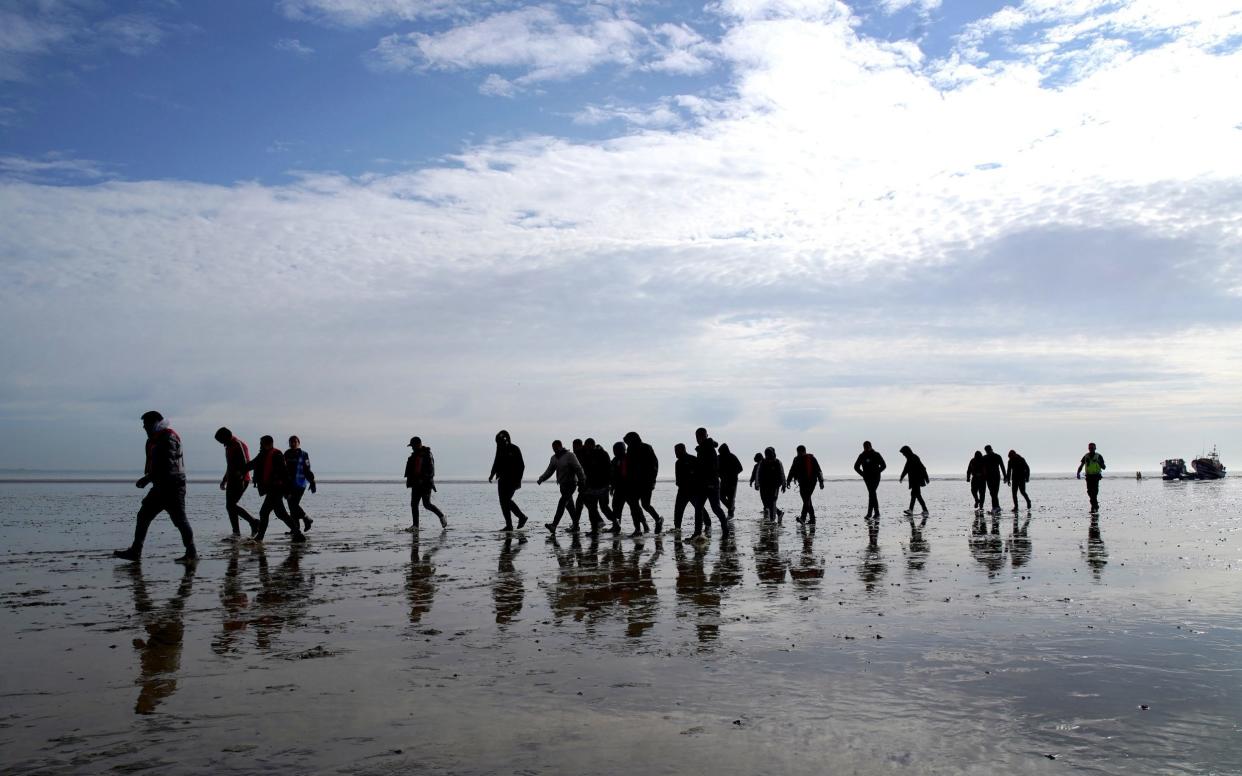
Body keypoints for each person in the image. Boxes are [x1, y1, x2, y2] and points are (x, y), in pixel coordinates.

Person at [114, 411, 197, 563]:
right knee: (144, 515)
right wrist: (150, 478)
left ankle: (191, 552)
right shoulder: (155, 439)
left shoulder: (168, 437)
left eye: (146, 425)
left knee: (179, 519)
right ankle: (135, 551)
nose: (144, 428)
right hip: (160, 486)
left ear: (155, 423)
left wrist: (147, 478)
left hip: (173, 486)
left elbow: (167, 464)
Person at [249, 435, 306, 543]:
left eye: (262, 443)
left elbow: (284, 473)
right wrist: (241, 469)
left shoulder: (277, 454)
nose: (260, 445)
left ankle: (259, 537)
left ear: (268, 443)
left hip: (277, 488)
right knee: (281, 514)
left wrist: (287, 491)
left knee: (264, 512)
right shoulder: (263, 454)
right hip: (271, 489)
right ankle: (298, 534)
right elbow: (252, 464)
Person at [214, 427, 258, 540]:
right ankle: (237, 532)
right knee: (230, 506)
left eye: (221, 440)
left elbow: (246, 463)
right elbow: (230, 465)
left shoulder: (238, 444)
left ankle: (253, 522)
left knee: (231, 505)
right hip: (232, 480)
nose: (221, 443)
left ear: (227, 437)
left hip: (241, 480)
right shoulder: (228, 445)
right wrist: (225, 479)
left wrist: (241, 477)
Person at [537, 439, 586, 533]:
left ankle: (554, 525)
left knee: (562, 502)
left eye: (556, 448)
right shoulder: (554, 458)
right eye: (553, 449)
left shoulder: (570, 455)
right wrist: (541, 478)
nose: (555, 450)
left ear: (560, 446)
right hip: (562, 485)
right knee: (570, 506)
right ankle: (576, 526)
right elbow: (550, 470)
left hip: (571, 483)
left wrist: (582, 480)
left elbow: (578, 468)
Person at [622, 432, 662, 533]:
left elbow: (654, 465)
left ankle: (658, 520)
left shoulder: (646, 448)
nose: (627, 445)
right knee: (634, 505)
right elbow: (629, 468)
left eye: (627, 442)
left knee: (645, 505)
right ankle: (637, 529)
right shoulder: (630, 450)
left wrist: (652, 481)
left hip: (646, 482)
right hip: (633, 483)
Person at [489, 430, 528, 531]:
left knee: (506, 500)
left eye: (499, 441)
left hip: (513, 480)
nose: (498, 444)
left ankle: (521, 517)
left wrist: (518, 480)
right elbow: (496, 461)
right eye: (497, 442)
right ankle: (509, 525)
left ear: (505, 439)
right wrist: (492, 474)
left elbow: (522, 465)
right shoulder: (500, 450)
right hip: (502, 479)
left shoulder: (514, 449)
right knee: (503, 502)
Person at [405, 436, 446, 530]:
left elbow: (431, 471)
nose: (412, 447)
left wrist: (423, 479)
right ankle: (415, 526)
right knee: (414, 504)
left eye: (413, 445)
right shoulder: (414, 455)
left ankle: (442, 516)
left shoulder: (427, 454)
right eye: (411, 446)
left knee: (426, 504)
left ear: (418, 444)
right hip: (415, 484)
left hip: (426, 484)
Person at [694, 427, 730, 534]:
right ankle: (697, 533)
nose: (698, 439)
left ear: (705, 436)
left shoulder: (709, 449)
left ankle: (725, 528)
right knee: (698, 508)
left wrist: (710, 482)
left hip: (711, 484)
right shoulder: (701, 449)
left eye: (700, 436)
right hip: (702, 484)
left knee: (715, 508)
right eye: (697, 437)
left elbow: (713, 467)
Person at [610, 440, 649, 535]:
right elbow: (613, 475)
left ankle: (642, 526)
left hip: (631, 489)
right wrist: (612, 487)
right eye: (614, 450)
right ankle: (616, 525)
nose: (615, 452)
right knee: (615, 507)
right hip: (619, 489)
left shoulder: (631, 459)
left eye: (617, 450)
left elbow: (638, 473)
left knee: (635, 509)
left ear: (624, 450)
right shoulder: (615, 460)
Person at [579, 438, 614, 534]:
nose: (586, 448)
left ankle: (615, 523)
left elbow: (609, 470)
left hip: (603, 486)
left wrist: (609, 485)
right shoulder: (586, 455)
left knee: (604, 507)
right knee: (592, 508)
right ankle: (594, 529)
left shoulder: (602, 454)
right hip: (591, 486)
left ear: (592, 445)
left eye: (587, 446)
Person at [284, 435, 316, 532]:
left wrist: (312, 481)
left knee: (293, 504)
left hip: (300, 484)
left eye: (295, 441)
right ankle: (295, 528)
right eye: (291, 442)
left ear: (298, 442)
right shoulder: (286, 453)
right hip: (289, 484)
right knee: (291, 506)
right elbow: (283, 468)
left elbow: (307, 469)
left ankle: (306, 519)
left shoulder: (303, 454)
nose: (293, 443)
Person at [786, 444, 825, 523]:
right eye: (798, 453)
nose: (799, 454)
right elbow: (792, 470)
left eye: (800, 452)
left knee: (806, 499)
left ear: (804, 451)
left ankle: (803, 518)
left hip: (811, 482)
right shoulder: (796, 459)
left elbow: (818, 470)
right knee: (806, 500)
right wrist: (788, 480)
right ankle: (812, 519)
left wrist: (821, 481)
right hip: (802, 482)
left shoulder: (811, 459)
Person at [672, 443, 703, 536]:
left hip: (693, 490)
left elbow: (699, 474)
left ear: (683, 450)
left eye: (677, 451)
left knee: (699, 509)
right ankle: (677, 528)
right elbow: (677, 477)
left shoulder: (693, 459)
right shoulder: (677, 463)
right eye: (675, 452)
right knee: (678, 511)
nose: (675, 454)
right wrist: (678, 484)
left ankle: (708, 524)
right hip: (682, 490)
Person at [853, 441, 886, 519]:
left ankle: (872, 513)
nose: (866, 448)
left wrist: (877, 471)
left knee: (872, 493)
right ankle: (873, 513)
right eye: (865, 447)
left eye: (868, 447)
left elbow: (884, 465)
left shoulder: (876, 454)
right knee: (872, 494)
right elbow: (856, 467)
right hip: (867, 478)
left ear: (871, 446)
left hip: (876, 477)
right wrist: (862, 474)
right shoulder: (862, 455)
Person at [756, 447, 786, 521]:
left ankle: (772, 520)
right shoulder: (762, 462)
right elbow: (758, 473)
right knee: (766, 503)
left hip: (774, 486)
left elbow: (782, 474)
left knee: (772, 501)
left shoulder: (778, 462)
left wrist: (784, 484)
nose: (768, 456)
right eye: (766, 454)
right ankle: (779, 513)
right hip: (763, 486)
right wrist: (757, 484)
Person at [898, 445, 929, 516]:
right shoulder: (910, 458)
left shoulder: (914, 457)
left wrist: (926, 477)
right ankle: (918, 510)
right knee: (915, 495)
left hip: (917, 479)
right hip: (914, 480)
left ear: (907, 452)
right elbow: (906, 469)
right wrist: (902, 477)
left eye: (903, 453)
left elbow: (923, 468)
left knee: (916, 494)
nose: (903, 455)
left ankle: (922, 510)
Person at [1076, 442, 1106, 513]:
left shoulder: (1099, 456)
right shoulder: (1086, 456)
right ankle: (1095, 504)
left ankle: (1094, 506)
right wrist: (1078, 473)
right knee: (1089, 491)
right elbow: (1081, 465)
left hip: (1096, 476)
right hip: (1088, 476)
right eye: (1090, 448)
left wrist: (1098, 462)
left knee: (1095, 491)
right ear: (1088, 448)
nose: (1091, 449)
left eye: (1092, 448)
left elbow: (1104, 467)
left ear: (1095, 448)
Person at [718, 443, 744, 518]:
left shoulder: (732, 457)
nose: (720, 453)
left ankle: (730, 514)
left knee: (731, 498)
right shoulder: (719, 457)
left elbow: (740, 468)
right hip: (723, 481)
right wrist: (720, 474)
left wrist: (732, 474)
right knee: (721, 496)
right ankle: (731, 508)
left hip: (732, 481)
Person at [981, 445, 1007, 514]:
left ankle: (995, 507)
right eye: (986, 451)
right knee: (993, 492)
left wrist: (1005, 476)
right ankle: (997, 507)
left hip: (993, 477)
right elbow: (1002, 467)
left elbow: (1002, 466)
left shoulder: (991, 457)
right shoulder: (988, 457)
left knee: (993, 492)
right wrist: (1005, 476)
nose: (987, 452)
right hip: (992, 477)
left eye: (987, 450)